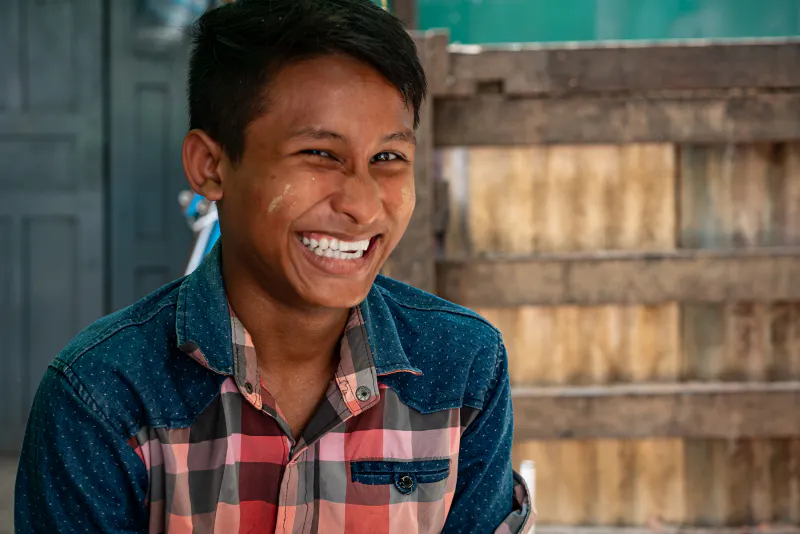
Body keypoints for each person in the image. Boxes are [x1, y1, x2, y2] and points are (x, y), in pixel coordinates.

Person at [14, 0, 534, 532]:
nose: (362, 204)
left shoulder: (461, 369)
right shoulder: (102, 397)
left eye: (388, 158)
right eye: (319, 154)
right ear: (211, 167)